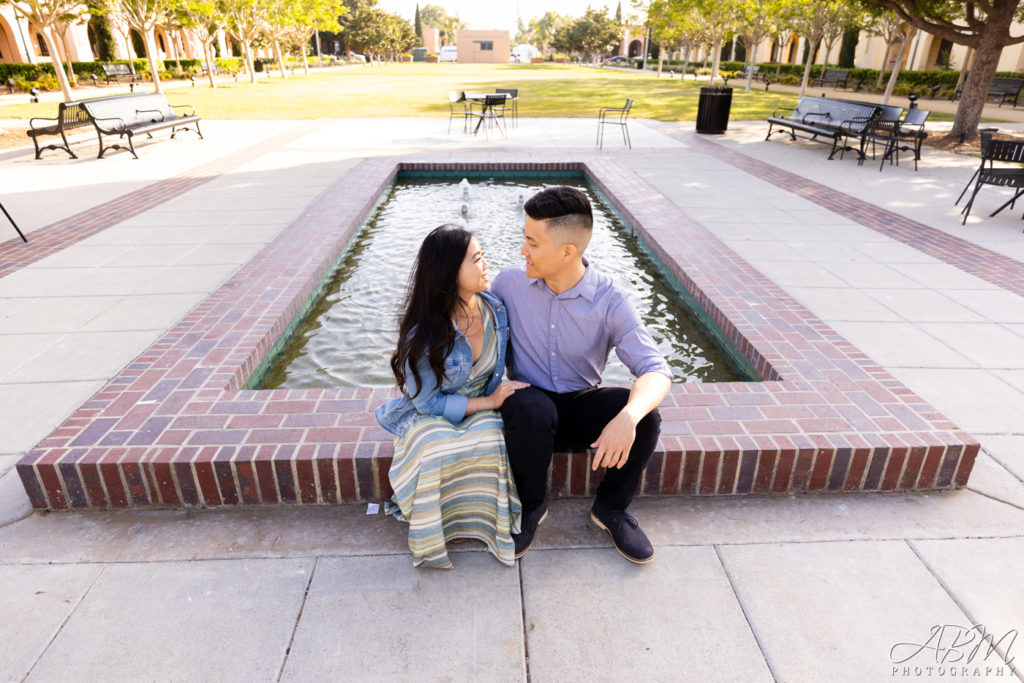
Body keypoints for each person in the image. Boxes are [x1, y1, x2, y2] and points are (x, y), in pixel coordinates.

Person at [491, 186, 672, 564]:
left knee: (646, 416)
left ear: (567, 251)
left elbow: (655, 369)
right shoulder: (508, 284)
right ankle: (531, 507)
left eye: (532, 243)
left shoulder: (611, 299)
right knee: (531, 407)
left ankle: (611, 509)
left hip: (580, 403)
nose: (523, 250)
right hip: (528, 406)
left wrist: (628, 417)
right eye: (525, 238)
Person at [375, 224, 528, 569]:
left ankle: (476, 522)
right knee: (436, 447)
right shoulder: (424, 333)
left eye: (483, 256)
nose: (486, 265)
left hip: (484, 409)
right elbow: (428, 403)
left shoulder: (495, 310)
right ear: (449, 272)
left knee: (494, 438)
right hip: (433, 413)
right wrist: (489, 403)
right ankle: (443, 522)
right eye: (477, 259)